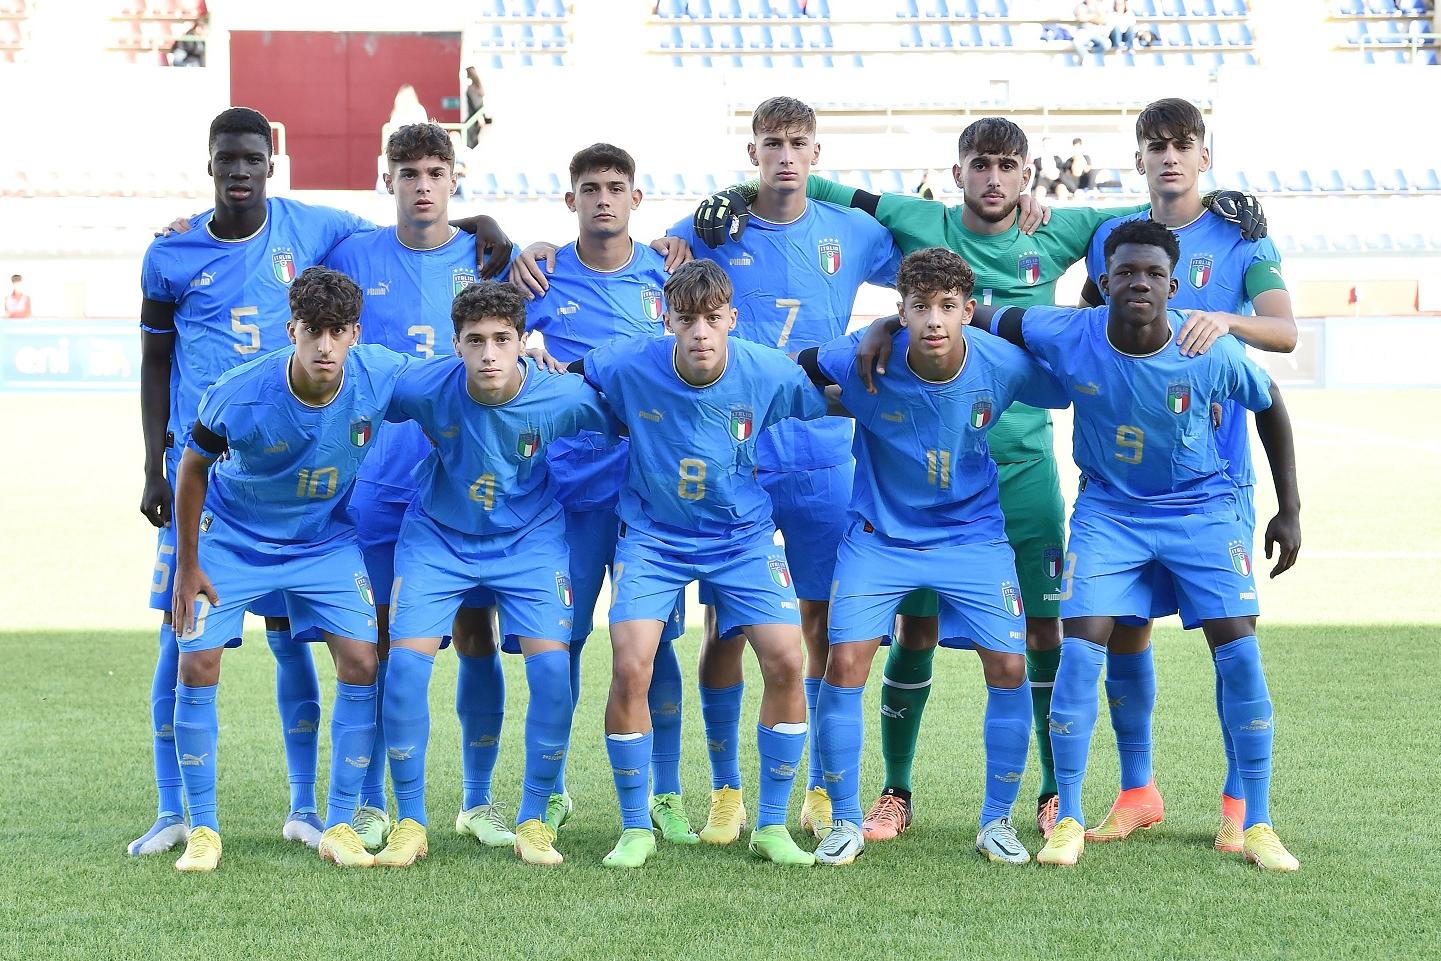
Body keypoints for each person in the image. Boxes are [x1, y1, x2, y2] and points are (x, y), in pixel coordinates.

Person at [704, 117, 1143, 844]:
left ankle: (1043, 794)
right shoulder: (918, 222)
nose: (994, 178)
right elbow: (816, 182)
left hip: (1019, 469)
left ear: (1027, 175)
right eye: (981, 164)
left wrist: (1222, 209)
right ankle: (891, 793)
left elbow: (1144, 224)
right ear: (959, 169)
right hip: (908, 467)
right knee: (911, 629)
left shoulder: (1058, 232)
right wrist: (732, 192)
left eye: (1008, 166)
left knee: (1038, 635)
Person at [134, 106, 513, 860]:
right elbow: (152, 359)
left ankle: (315, 808)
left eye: (251, 158)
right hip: (217, 476)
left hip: (317, 488)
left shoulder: (316, 227)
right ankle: (177, 810)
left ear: (271, 163)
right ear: (209, 163)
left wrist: (482, 221)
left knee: (315, 643)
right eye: (224, 159)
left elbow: (417, 219)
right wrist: (153, 460)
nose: (238, 171)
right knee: (186, 644)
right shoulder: (171, 253)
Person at [972, 219, 1302, 872]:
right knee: (1080, 649)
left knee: (1237, 652)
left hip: (1201, 509)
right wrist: (892, 325)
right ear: (1103, 281)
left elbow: (1268, 403)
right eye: (1125, 271)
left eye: (1152, 273)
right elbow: (981, 315)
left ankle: (1256, 820)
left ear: (1172, 285)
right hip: (1109, 513)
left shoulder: (1206, 346)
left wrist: (1288, 509)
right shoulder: (1068, 330)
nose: (1139, 282)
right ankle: (1066, 816)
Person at [666, 96, 902, 845]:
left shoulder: (854, 232)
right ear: (753, 153)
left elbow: (938, 263)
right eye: (772, 143)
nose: (785, 156)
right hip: (735, 455)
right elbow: (638, 266)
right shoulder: (711, 228)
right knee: (727, 623)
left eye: (798, 143)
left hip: (825, 449)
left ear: (816, 153)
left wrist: (888, 325)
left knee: (824, 621)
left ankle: (825, 789)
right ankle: (727, 788)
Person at [799, 247, 1068, 867]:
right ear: (902, 312)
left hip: (973, 538)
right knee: (846, 664)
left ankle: (997, 821)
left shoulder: (1001, 363)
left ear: (969, 311)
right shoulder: (871, 356)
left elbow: (1067, 382)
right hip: (879, 539)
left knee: (1008, 667)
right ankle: (843, 821)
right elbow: (805, 366)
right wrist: (871, 337)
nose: (934, 321)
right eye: (919, 308)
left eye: (948, 307)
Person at [1078, 98, 1296, 853]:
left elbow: (1284, 329)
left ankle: (1241, 802)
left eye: (1182, 144)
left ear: (1204, 153)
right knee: (1125, 632)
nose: (1168, 156)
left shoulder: (1240, 236)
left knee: (1227, 638)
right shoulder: (1112, 236)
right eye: (1153, 145)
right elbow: (1087, 324)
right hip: (1125, 481)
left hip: (1215, 476)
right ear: (1136, 158)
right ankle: (1137, 790)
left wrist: (1223, 319)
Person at [572, 259, 831, 868]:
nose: (700, 333)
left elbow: (836, 394)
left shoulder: (767, 370)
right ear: (668, 322)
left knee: (787, 659)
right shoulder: (628, 360)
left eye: (713, 320)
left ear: (732, 321)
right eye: (687, 320)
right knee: (631, 663)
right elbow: (573, 377)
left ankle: (770, 825)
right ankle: (635, 827)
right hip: (653, 535)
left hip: (741, 537)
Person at [167, 266, 417, 872]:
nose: (325, 346)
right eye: (312, 332)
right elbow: (193, 469)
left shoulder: (380, 372)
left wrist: (532, 353)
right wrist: (187, 565)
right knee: (197, 661)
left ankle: (338, 824)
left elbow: (453, 384)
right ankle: (203, 830)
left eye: (337, 332)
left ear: (355, 332)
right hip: (234, 538)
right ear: (292, 331)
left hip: (323, 542)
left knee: (362, 659)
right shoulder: (240, 391)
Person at [373, 281, 618, 868]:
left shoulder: (561, 395)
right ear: (455, 344)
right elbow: (348, 383)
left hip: (529, 542)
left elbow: (637, 416)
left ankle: (534, 819)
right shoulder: (425, 384)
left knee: (554, 671)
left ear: (521, 342)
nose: (488, 354)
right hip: (437, 537)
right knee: (405, 669)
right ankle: (409, 821)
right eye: (475, 341)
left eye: (502, 340)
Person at [324, 122, 510, 853]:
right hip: (375, 481)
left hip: (466, 486)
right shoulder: (351, 253)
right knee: (373, 642)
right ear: (388, 178)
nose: (423, 183)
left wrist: (489, 226)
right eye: (409, 171)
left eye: (436, 170)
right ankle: (370, 801)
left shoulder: (487, 254)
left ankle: (477, 798)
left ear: (454, 177)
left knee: (473, 636)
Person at [508, 143, 692, 844]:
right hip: (565, 493)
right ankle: (549, 791)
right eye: (591, 188)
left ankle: (664, 791)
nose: (604, 199)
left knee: (656, 644)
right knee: (560, 642)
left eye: (616, 187)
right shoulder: (540, 276)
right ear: (571, 200)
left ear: (637, 198)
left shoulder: (665, 271)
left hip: (649, 493)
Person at [463, 66, 493, 148]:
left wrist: (480, 117)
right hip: (476, 116)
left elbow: (476, 104)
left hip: (475, 117)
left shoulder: (472, 88)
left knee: (469, 137)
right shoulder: (477, 87)